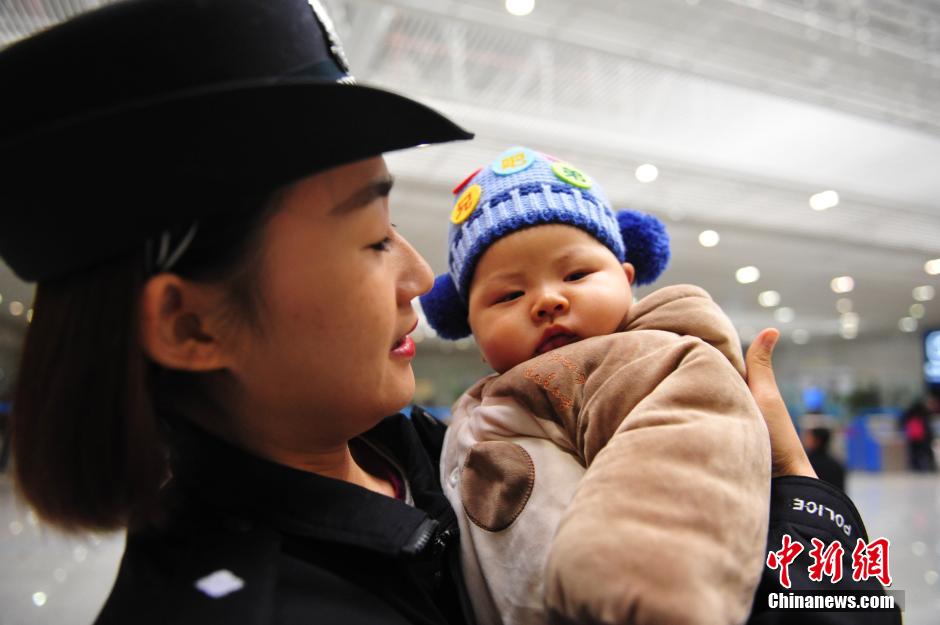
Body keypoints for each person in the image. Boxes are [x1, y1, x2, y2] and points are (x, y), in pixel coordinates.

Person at [0, 2, 899, 624]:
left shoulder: (446, 450)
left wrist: (801, 494)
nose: (421, 275)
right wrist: (802, 500)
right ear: (192, 324)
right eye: (372, 239)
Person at [420, 147, 771, 625]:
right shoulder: (485, 401)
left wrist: (636, 579)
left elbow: (684, 439)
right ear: (474, 331)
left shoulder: (645, 358)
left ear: (627, 281)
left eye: (577, 274)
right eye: (509, 294)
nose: (547, 300)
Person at [900, 398, 937, 472]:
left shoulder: (912, 412)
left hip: (915, 436)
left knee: (915, 452)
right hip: (923, 436)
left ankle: (917, 467)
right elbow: (928, 427)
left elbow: (903, 421)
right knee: (925, 452)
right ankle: (928, 467)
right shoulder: (924, 412)